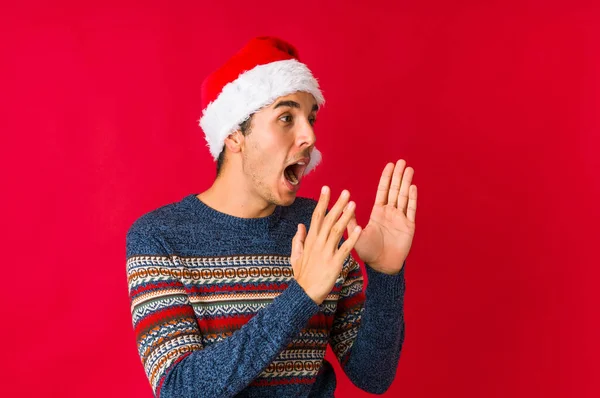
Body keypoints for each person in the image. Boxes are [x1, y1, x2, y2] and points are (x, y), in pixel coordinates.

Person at [126, 36, 417, 398]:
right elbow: (181, 389)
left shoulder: (321, 228)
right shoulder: (159, 237)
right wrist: (301, 296)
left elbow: (373, 375)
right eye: (286, 117)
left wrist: (386, 274)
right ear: (234, 134)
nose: (309, 136)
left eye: (310, 119)